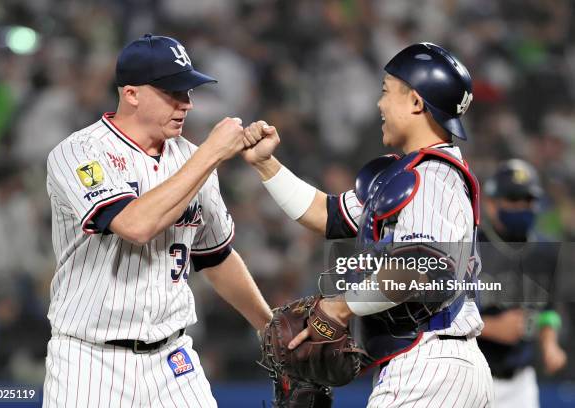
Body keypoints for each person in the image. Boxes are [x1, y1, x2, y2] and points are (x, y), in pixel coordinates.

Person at [242, 43, 494, 406]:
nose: (379, 104)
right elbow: (325, 215)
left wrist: (341, 306)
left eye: (386, 91)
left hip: (429, 365)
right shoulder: (408, 175)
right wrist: (266, 166)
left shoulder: (433, 176)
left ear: (416, 103)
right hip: (436, 366)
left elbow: (421, 268)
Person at [42, 34, 273, 407]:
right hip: (90, 361)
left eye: (188, 90)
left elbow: (215, 255)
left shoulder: (193, 157)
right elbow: (135, 226)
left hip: (173, 358)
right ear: (131, 93)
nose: (187, 104)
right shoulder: (79, 153)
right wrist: (212, 153)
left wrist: (269, 325)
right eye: (173, 92)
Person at [478, 159, 567, 407]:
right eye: (513, 200)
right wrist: (491, 326)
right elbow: (442, 314)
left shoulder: (546, 251)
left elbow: (548, 311)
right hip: (474, 375)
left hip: (521, 381)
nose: (522, 207)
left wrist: (550, 344)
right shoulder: (471, 247)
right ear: (491, 204)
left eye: (527, 201)